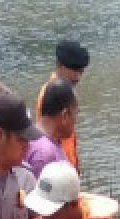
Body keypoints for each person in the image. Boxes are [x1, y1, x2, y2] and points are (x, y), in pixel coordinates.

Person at [35, 39, 89, 172]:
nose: (78, 77)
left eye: (81, 72)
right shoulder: (50, 93)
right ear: (60, 65)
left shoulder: (67, 90)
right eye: (74, 70)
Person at [24, 78, 77, 179]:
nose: (76, 121)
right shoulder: (44, 154)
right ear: (65, 115)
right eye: (76, 113)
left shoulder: (40, 141)